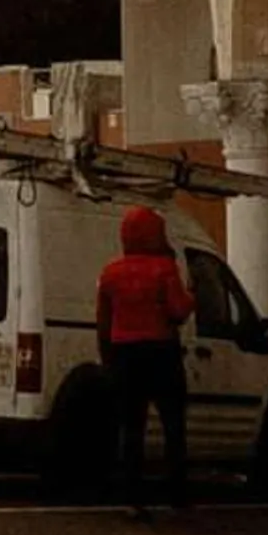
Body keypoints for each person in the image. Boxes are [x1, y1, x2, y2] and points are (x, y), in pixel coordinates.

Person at [94, 203, 194, 512]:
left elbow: (102, 321)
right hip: (160, 351)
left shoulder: (110, 273)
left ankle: (131, 496)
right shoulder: (164, 269)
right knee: (173, 424)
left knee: (131, 427)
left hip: (124, 352)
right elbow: (178, 311)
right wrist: (192, 297)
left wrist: (108, 358)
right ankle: (176, 492)